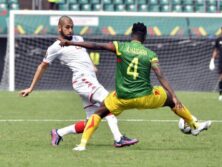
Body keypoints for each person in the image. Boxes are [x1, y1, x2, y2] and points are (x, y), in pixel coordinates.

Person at [59, 22, 212, 151]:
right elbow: (160, 74)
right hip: (146, 97)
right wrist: (174, 96)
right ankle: (194, 124)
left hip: (122, 98)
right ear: (144, 37)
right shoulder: (150, 53)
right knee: (170, 100)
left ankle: (82, 144)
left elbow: (96, 45)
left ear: (131, 34)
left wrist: (71, 42)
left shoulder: (121, 47)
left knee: (98, 113)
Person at [19, 16, 138, 148]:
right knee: (108, 102)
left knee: (90, 122)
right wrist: (31, 88)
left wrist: (92, 66)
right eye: (67, 27)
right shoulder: (55, 47)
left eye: (72, 27)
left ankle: (58, 133)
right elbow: (42, 66)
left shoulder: (78, 39)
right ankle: (118, 139)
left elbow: (83, 54)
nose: (70, 30)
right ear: (60, 28)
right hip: (82, 79)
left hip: (90, 79)